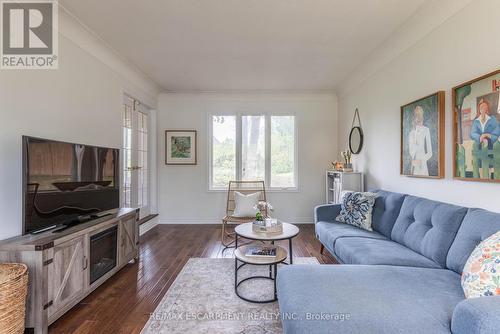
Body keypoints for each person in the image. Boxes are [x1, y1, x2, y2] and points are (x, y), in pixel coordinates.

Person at [470, 99, 500, 178]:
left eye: (485, 107)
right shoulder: (476, 121)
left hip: (491, 145)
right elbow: (472, 133)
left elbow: (497, 130)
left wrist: (488, 135)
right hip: (479, 146)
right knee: (479, 165)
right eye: (481, 107)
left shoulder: (492, 119)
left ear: (487, 109)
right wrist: (480, 137)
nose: (483, 108)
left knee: (489, 166)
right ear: (479, 109)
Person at [408, 106, 432, 176]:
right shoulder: (411, 133)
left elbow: (430, 152)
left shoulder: (426, 130)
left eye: (419, 114)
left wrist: (422, 161)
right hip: (414, 167)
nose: (418, 117)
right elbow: (411, 151)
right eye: (416, 114)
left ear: (422, 115)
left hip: (423, 166)